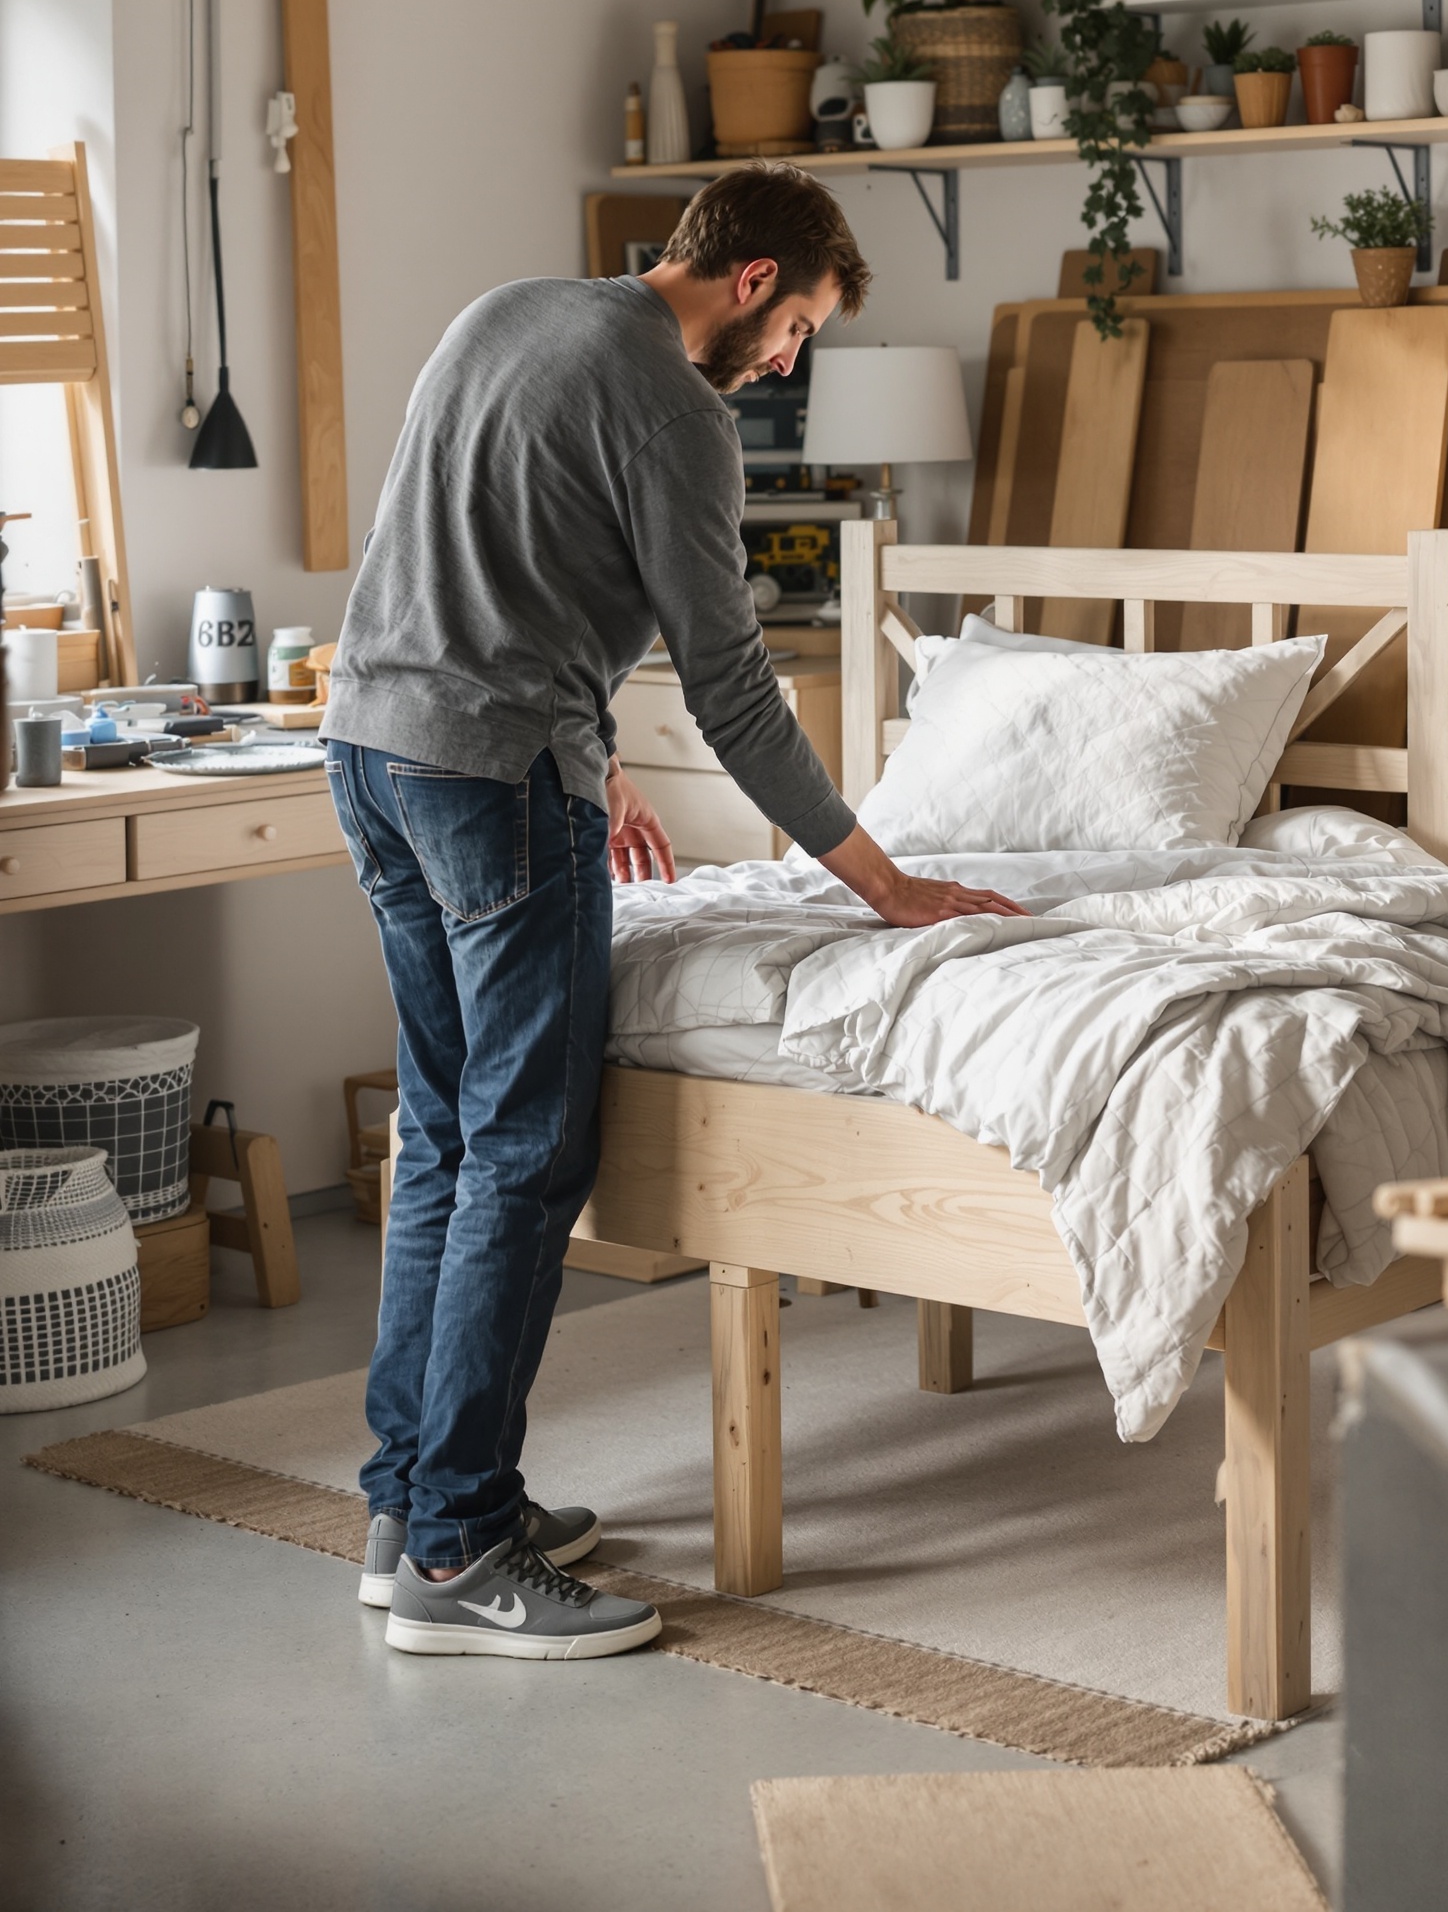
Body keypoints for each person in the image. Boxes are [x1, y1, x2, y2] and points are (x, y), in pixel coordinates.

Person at [323, 163, 1021, 1665]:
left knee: (444, 1131)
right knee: (526, 1146)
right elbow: (738, 691)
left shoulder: (508, 313)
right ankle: (462, 1547)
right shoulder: (678, 413)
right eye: (802, 331)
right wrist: (882, 878)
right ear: (757, 277)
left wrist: (596, 748)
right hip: (496, 778)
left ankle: (409, 1512)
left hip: (372, 751)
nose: (788, 366)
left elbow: (477, 559)